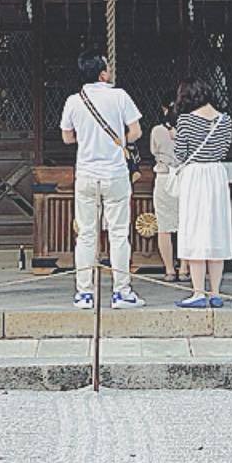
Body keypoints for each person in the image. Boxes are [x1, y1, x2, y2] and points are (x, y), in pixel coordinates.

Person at [59, 52, 145, 310]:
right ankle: (121, 291)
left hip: (86, 173)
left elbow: (66, 138)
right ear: (102, 74)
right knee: (119, 234)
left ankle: (84, 293)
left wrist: (86, 139)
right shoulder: (120, 96)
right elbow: (136, 132)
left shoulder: (74, 101)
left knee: (85, 235)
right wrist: (118, 141)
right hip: (115, 173)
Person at [170, 78, 232, 308]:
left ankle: (198, 292)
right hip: (217, 174)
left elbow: (180, 154)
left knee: (195, 230)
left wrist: (175, 138)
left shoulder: (185, 120)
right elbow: (225, 149)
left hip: (195, 176)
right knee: (217, 231)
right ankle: (215, 292)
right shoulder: (225, 120)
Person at [147, 95, 183, 282]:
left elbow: (153, 151)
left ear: (164, 109)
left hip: (163, 176)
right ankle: (185, 269)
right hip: (185, 176)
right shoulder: (188, 130)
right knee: (187, 225)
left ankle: (169, 269)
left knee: (164, 226)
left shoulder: (157, 131)